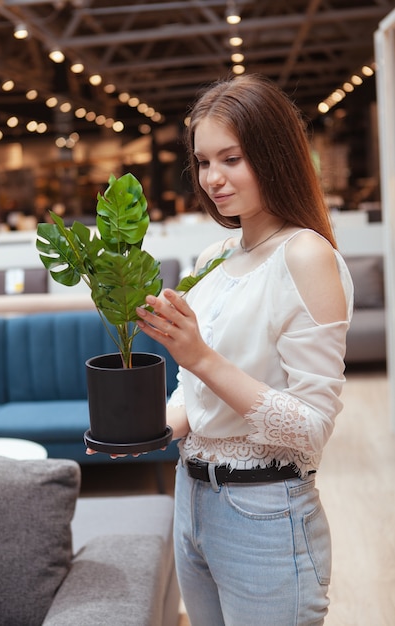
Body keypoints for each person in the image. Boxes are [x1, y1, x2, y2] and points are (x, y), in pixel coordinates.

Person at [91, 74, 354, 625]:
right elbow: (196, 401)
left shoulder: (305, 254)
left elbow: (310, 429)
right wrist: (141, 430)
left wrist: (201, 356)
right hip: (193, 498)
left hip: (263, 511)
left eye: (231, 159)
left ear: (274, 153)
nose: (213, 179)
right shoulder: (216, 255)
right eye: (203, 162)